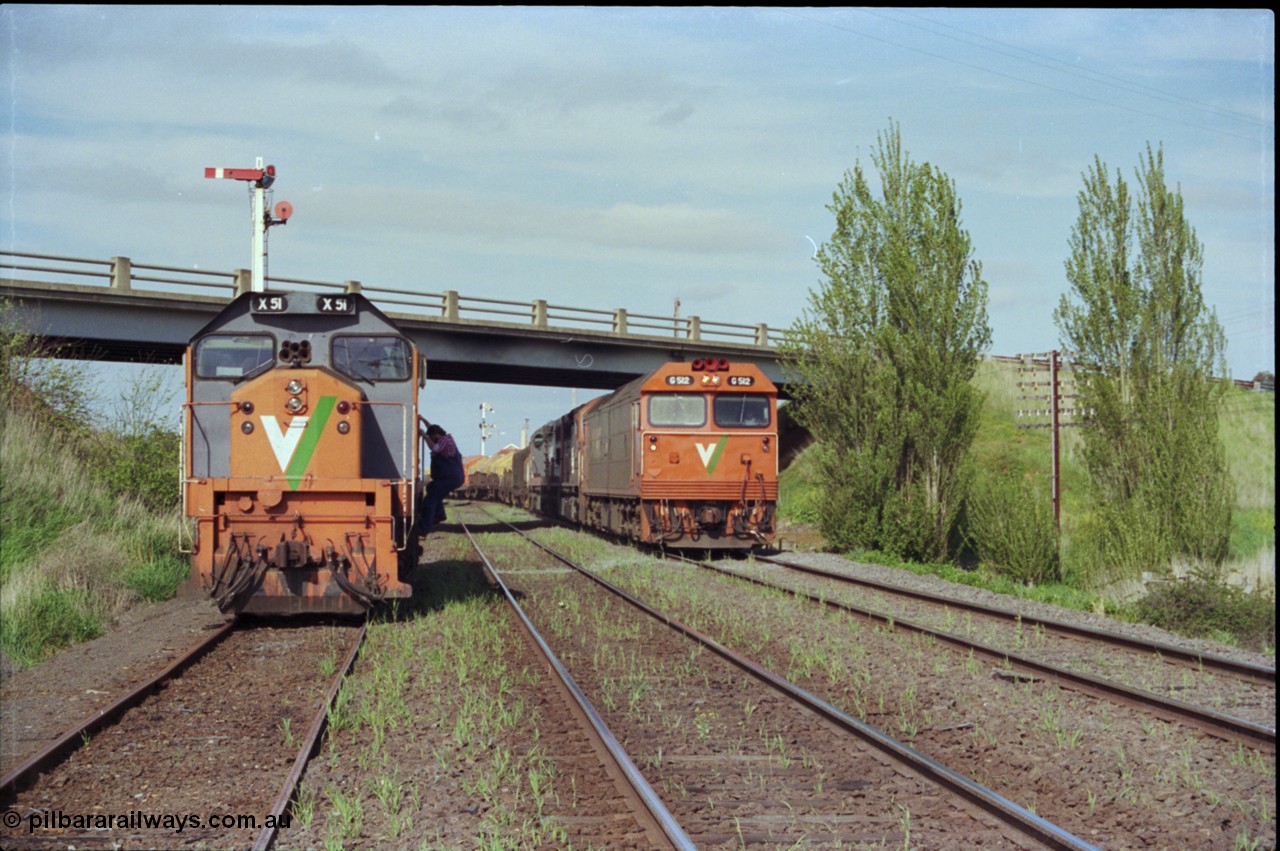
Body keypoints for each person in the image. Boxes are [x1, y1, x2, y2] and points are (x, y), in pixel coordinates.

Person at [421, 422, 464, 537]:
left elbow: (435, 448)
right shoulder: (443, 438)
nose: (432, 440)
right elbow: (432, 429)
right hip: (449, 477)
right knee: (431, 487)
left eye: (432, 438)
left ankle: (423, 528)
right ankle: (439, 514)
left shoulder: (445, 440)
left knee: (430, 501)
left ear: (436, 435)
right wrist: (423, 420)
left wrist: (424, 436)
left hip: (449, 477)